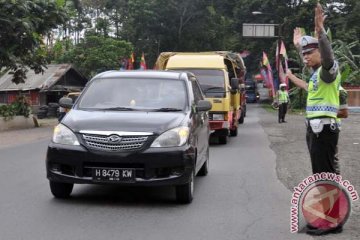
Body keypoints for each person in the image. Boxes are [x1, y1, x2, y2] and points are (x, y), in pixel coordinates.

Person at [286, 3, 343, 235]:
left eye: (310, 53)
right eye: (304, 54)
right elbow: (309, 88)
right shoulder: (316, 76)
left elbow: (327, 57)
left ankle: (331, 222)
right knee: (323, 175)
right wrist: (291, 74)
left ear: (320, 50)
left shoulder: (329, 71)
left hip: (324, 130)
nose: (305, 57)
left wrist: (320, 33)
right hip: (316, 129)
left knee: (325, 175)